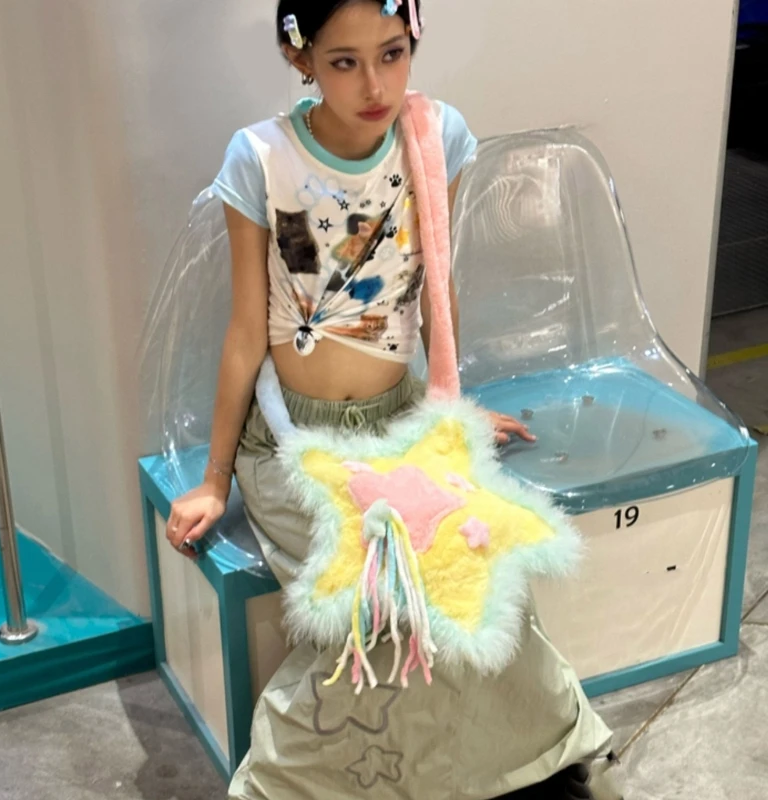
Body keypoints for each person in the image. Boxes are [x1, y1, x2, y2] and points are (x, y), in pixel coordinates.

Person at [166, 2, 621, 797]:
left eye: (393, 52)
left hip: (403, 421)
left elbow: (438, 286)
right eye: (344, 61)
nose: (375, 85)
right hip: (296, 439)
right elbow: (244, 331)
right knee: (374, 603)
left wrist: (452, 412)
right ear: (300, 56)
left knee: (480, 577)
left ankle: (532, 763)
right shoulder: (262, 157)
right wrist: (213, 478)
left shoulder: (434, 135)